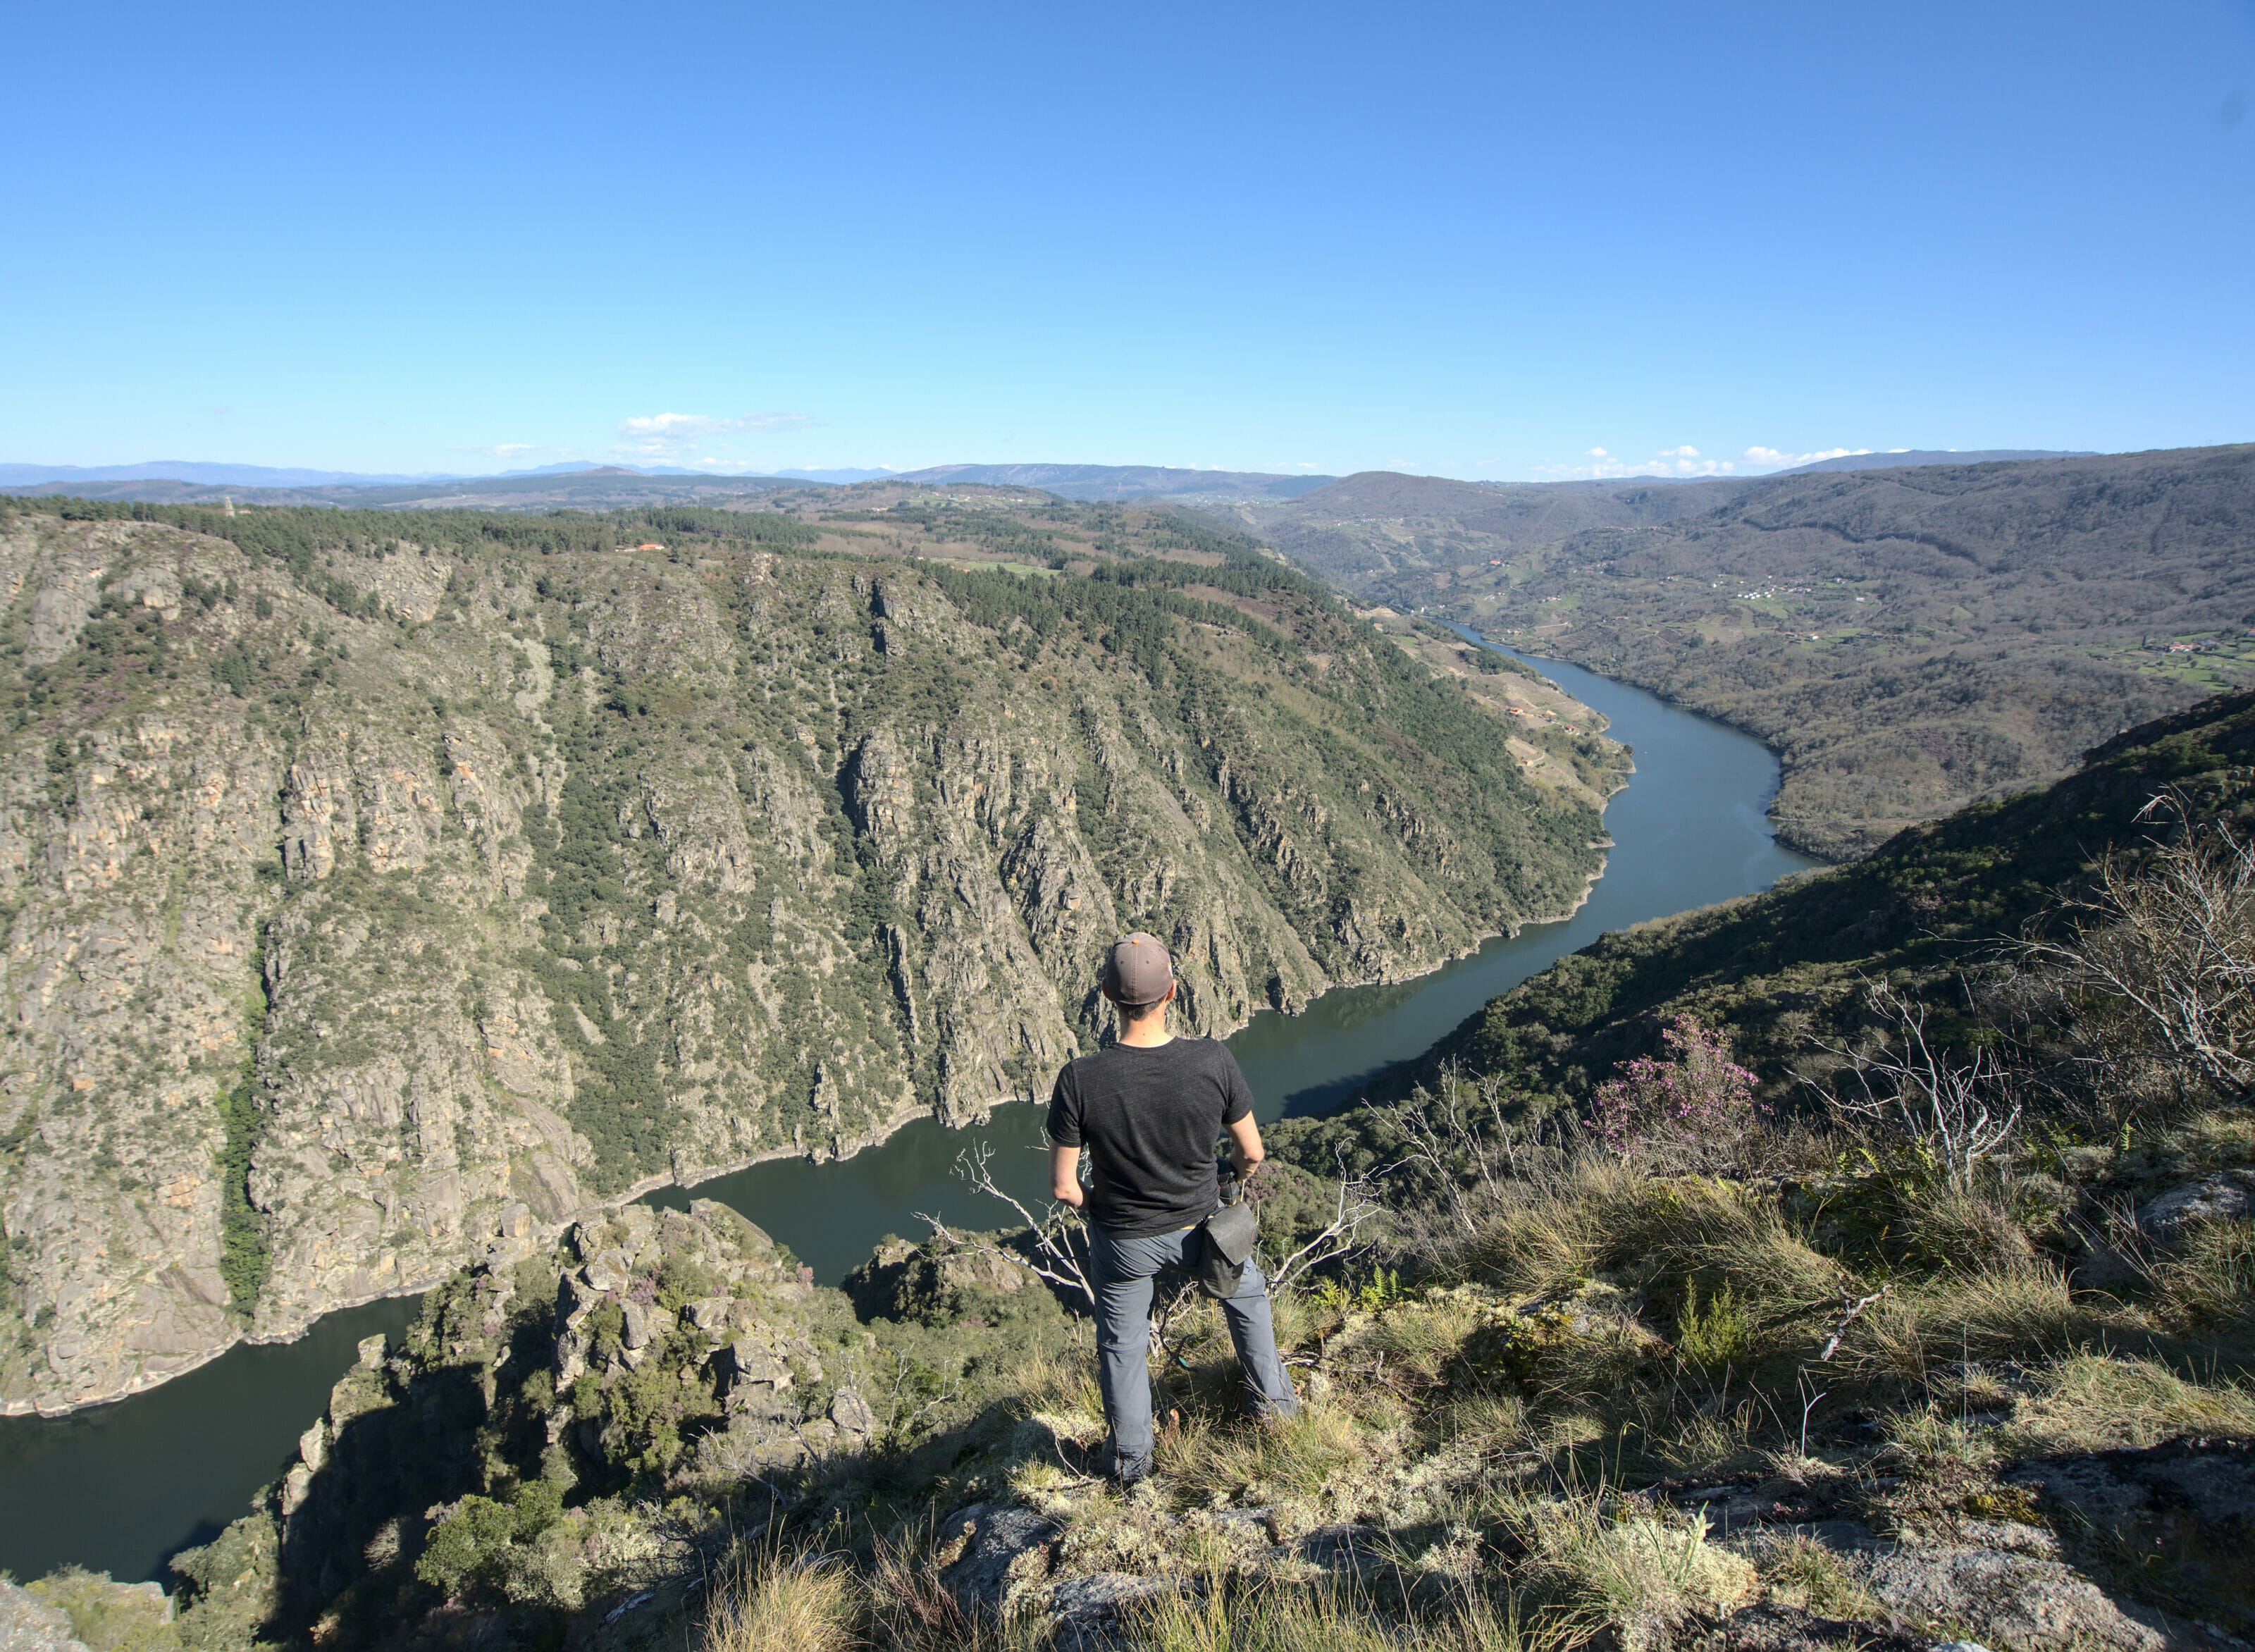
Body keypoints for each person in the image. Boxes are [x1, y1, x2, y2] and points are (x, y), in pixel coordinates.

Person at [1046, 931, 1299, 1488]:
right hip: (1205, 1227)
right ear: (1173, 993)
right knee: (1248, 1300)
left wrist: (1102, 1209)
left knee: (1121, 1343)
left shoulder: (1079, 1080)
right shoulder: (1212, 1058)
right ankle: (1277, 1413)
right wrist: (1228, 1181)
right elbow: (1252, 1151)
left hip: (1124, 1239)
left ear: (1107, 996)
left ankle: (1130, 1466)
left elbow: (1065, 1188)